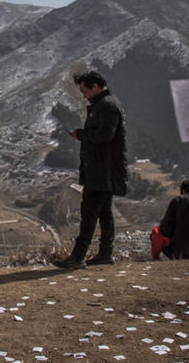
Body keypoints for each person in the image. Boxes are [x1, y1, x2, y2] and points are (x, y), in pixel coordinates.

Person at [53, 69, 128, 269]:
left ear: (95, 87)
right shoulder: (104, 105)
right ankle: (105, 253)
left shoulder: (107, 107)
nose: (83, 94)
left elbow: (105, 134)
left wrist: (82, 135)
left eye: (85, 90)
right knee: (104, 213)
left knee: (89, 212)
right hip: (102, 168)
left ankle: (78, 256)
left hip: (102, 169)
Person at [151, 179, 189, 260]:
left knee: (155, 235)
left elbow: (165, 229)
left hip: (182, 247)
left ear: (183, 190)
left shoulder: (178, 200)